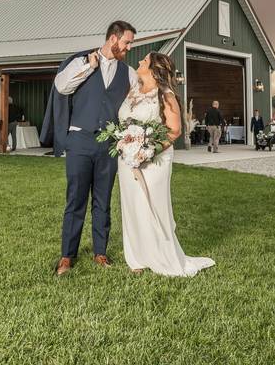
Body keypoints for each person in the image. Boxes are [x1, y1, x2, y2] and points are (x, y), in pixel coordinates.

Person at [43, 20, 137, 276]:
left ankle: (100, 252)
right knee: (75, 199)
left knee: (103, 200)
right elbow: (62, 86)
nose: (129, 47)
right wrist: (88, 66)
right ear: (113, 39)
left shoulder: (128, 73)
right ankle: (67, 256)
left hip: (108, 145)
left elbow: (131, 108)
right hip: (80, 141)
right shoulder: (81, 61)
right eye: (127, 42)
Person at [116, 52, 214, 276]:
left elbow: (174, 131)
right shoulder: (132, 91)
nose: (140, 62)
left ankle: (161, 256)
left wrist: (148, 151)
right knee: (131, 205)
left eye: (145, 60)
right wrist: (127, 145)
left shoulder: (165, 95)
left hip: (154, 161)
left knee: (153, 205)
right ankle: (137, 258)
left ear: (154, 68)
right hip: (127, 159)